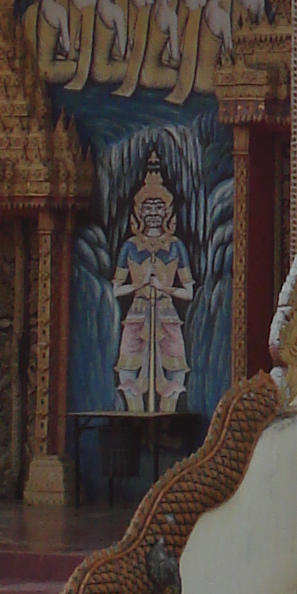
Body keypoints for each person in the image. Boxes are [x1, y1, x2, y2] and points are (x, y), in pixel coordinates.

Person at [113, 161, 193, 415]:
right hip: (137, 313)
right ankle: (135, 416)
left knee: (177, 369)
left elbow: (188, 292)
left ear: (167, 210)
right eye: (148, 207)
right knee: (127, 369)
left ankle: (167, 417)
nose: (154, 213)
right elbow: (116, 290)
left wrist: (163, 288)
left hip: (167, 313)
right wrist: (140, 284)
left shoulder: (177, 246)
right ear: (139, 211)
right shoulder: (129, 247)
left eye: (159, 207)